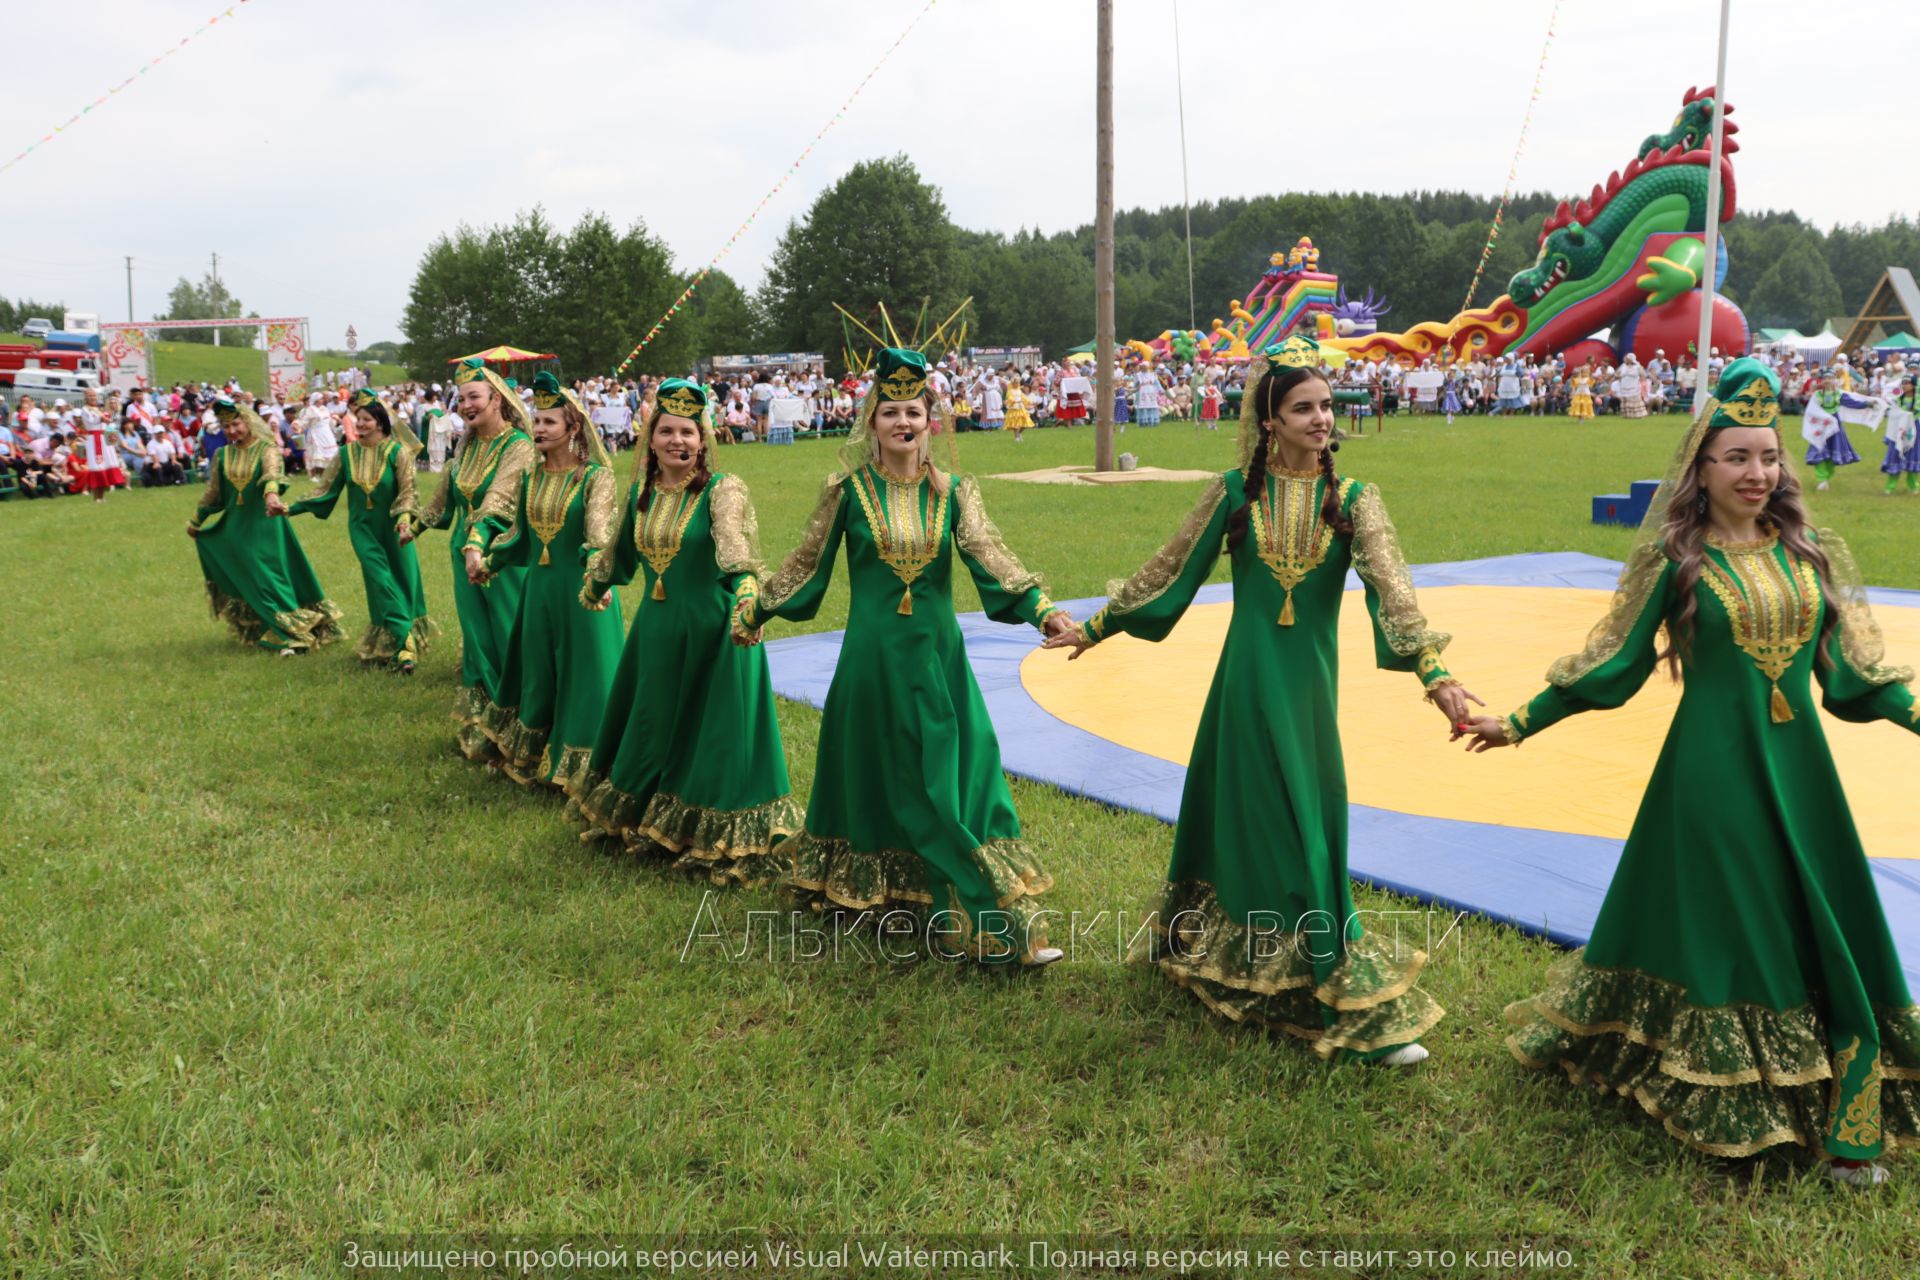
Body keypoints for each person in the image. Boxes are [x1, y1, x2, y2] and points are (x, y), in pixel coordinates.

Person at [1461, 359, 1920, 1183]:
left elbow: (1849, 678)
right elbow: (1614, 667)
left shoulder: (1809, 554)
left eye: (1769, 457)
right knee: (1741, 929)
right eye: (1737, 458)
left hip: (1802, 772)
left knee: (1822, 921)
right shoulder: (1679, 560)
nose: (1758, 473)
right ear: (1699, 468)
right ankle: (1748, 1098)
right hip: (1711, 776)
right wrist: (1522, 722)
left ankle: (1838, 1094)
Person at [1045, 335, 1466, 1063]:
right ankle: (1247, 963)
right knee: (1254, 820)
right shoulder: (1235, 493)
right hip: (1243, 689)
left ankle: (1325, 978)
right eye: (1304, 407)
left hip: (1307, 697)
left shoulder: (1357, 502)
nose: (1321, 419)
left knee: (1309, 820)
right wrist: (1099, 627)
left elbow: (1396, 599)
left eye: (1328, 405)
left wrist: (1435, 674)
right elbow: (1168, 569)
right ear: (1269, 419)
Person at [738, 348, 1079, 966]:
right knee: (883, 771)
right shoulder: (845, 491)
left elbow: (991, 558)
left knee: (952, 775)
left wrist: (1043, 609)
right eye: (890, 411)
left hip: (937, 659)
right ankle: (882, 892)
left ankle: (983, 907)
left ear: (931, 423)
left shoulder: (955, 492)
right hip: (871, 662)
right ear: (871, 422)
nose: (902, 422)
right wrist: (754, 610)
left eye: (914, 412)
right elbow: (804, 564)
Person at [571, 378, 803, 881]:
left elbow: (736, 554)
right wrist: (595, 587)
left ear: (704, 441)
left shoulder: (722, 491)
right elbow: (618, 557)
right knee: (655, 722)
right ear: (650, 438)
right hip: (656, 631)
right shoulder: (641, 495)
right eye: (668, 431)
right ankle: (651, 815)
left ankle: (712, 828)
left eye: (689, 433)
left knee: (715, 734)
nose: (679, 441)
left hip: (717, 634)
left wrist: (748, 601)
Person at [472, 372, 626, 789]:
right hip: (538, 591)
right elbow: (518, 534)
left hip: (583, 593)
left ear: (572, 428)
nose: (538, 429)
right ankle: (531, 756)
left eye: (548, 422)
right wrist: (489, 560)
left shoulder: (596, 477)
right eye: (536, 422)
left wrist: (598, 573)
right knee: (538, 672)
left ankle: (588, 765)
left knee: (587, 676)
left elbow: (599, 532)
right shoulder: (530, 477)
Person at [399, 358, 537, 758]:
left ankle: (523, 720)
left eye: (474, 396)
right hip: (464, 555)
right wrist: (416, 527)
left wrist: (479, 543)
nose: (465, 405)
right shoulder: (468, 446)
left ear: (498, 399)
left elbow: (501, 500)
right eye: (460, 398)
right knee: (477, 635)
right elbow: (445, 498)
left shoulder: (519, 447)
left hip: (502, 555)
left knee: (509, 632)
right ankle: (487, 722)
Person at [282, 389, 434, 674]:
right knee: (380, 579)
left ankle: (397, 639)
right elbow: (325, 492)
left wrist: (404, 521)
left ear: (380, 422)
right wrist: (290, 509)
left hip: (395, 530)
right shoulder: (346, 454)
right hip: (363, 530)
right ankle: (405, 645)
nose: (360, 423)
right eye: (358, 418)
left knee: (402, 580)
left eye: (366, 419)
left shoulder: (397, 454)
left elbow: (409, 492)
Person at [185, 397, 344, 655]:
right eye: (226, 427)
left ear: (247, 422)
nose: (232, 431)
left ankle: (290, 635)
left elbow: (272, 474)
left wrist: (271, 495)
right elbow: (213, 493)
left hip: (266, 524)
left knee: (268, 576)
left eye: (236, 424)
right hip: (236, 527)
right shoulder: (222, 455)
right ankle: (272, 629)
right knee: (250, 576)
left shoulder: (266, 449)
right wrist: (196, 521)